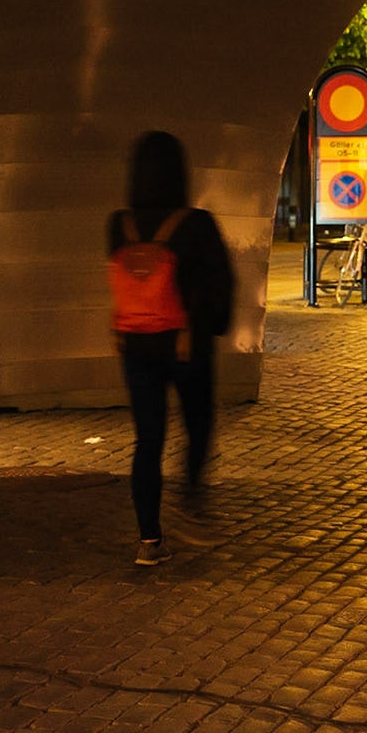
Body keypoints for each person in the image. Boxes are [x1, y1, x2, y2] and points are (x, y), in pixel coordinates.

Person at [109, 131, 234, 566]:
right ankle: (191, 499)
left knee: (148, 440)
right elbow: (220, 285)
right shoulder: (196, 223)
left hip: (135, 345)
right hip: (186, 345)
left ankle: (149, 540)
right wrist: (215, 325)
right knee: (198, 425)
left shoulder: (118, 224)